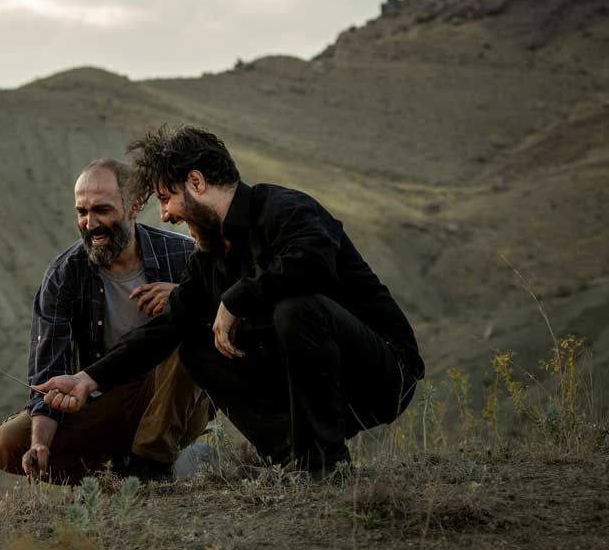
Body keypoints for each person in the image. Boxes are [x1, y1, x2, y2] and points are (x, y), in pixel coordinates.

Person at [33, 127, 425, 478]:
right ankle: (292, 457)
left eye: (168, 198)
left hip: (383, 371)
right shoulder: (209, 256)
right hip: (317, 384)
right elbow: (167, 325)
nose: (166, 215)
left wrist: (233, 301)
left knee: (296, 308)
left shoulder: (284, 209)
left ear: (197, 182)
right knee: (194, 342)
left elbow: (312, 262)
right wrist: (87, 379)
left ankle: (322, 465)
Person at [0, 158, 213, 483]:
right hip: (104, 398)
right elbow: (49, 374)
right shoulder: (64, 275)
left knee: (188, 326)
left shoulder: (183, 255)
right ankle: (117, 471)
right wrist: (39, 444)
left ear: (134, 205)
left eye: (102, 210)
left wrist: (185, 297)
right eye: (82, 212)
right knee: (7, 444)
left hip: (177, 401)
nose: (90, 223)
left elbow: (231, 317)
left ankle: (150, 465)